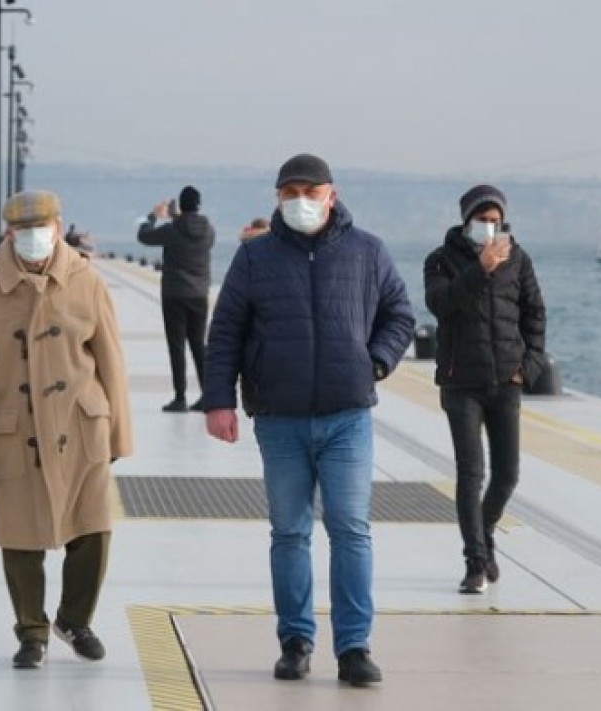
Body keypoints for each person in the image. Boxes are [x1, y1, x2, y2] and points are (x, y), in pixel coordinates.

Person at [203, 154, 413, 688]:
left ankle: (354, 647)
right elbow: (225, 329)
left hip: (348, 416)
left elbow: (400, 314)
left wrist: (378, 360)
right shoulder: (255, 258)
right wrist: (218, 401)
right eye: (289, 191)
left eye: (310, 191)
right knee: (290, 532)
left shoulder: (368, 251)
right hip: (279, 417)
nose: (300, 200)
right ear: (277, 198)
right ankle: (295, 642)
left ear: (331, 195)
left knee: (350, 529)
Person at [0, 189, 133, 670]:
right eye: (22, 231)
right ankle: (31, 631)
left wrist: (118, 433)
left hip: (81, 426)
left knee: (93, 531)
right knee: (20, 537)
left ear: (58, 225)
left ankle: (74, 619)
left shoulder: (87, 282)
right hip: (16, 433)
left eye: (41, 228)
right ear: (9, 233)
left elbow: (111, 361)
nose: (33, 238)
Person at [423, 185, 546, 595]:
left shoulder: (520, 259)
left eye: (496, 221)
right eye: (482, 220)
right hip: (461, 384)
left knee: (508, 475)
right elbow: (440, 305)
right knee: (471, 474)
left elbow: (535, 315)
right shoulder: (441, 261)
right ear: (466, 221)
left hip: (506, 382)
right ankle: (475, 562)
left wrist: (527, 368)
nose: (490, 228)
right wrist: (481, 268)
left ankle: (485, 532)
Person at [136, 185, 215, 413]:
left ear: (180, 205)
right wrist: (178, 217)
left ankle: (180, 398)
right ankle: (208, 396)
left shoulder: (173, 229)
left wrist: (153, 216)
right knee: (199, 345)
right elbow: (191, 231)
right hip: (199, 294)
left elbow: (144, 236)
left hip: (174, 294)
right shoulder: (209, 230)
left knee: (177, 346)